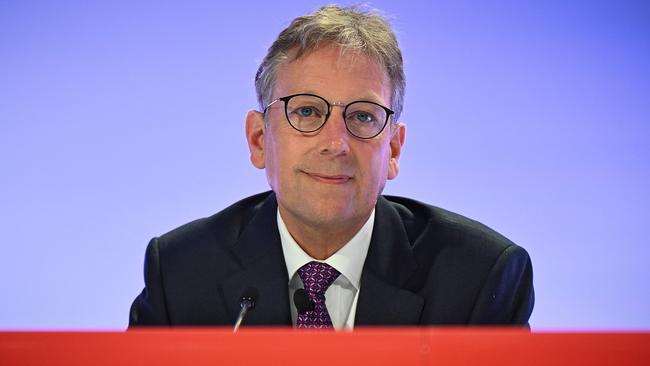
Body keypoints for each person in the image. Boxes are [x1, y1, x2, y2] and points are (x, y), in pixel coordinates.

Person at [129, 5, 534, 329]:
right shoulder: (181, 273)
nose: (336, 144)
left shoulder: (480, 278)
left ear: (393, 148)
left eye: (362, 116)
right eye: (306, 111)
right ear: (258, 141)